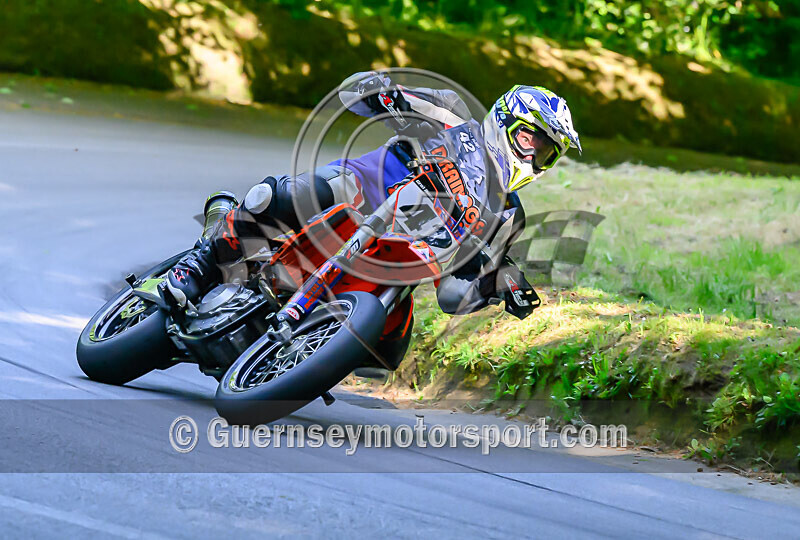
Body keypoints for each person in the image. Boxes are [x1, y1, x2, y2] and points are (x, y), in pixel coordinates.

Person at [167, 71, 581, 317]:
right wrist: (384, 94)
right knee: (281, 195)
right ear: (507, 120)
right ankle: (200, 262)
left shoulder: (509, 215)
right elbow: (354, 95)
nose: (534, 155)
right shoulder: (454, 116)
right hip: (362, 190)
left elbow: (455, 294)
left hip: (400, 256)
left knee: (390, 347)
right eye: (531, 139)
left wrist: (499, 287)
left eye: (546, 152)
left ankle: (309, 345)